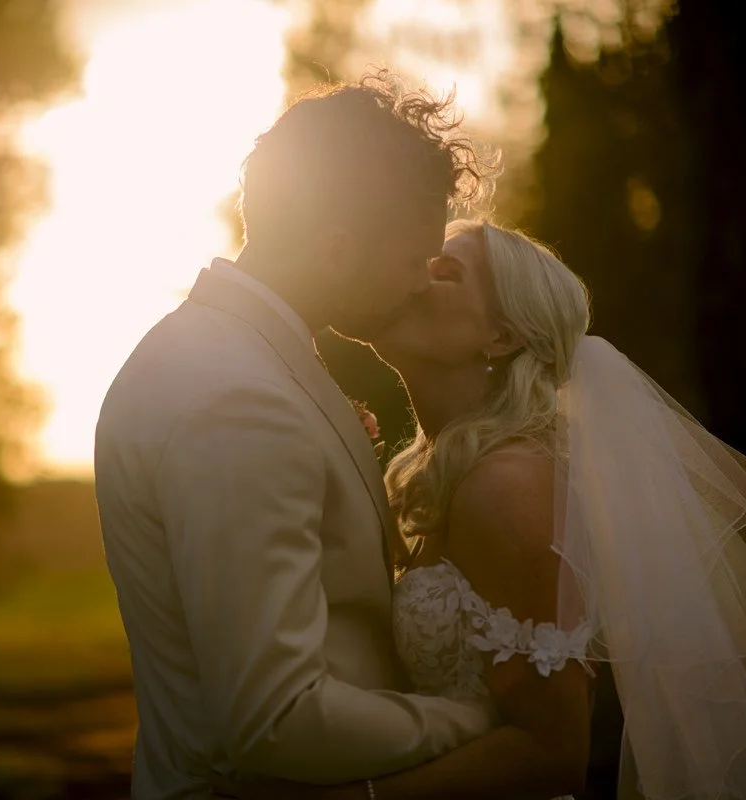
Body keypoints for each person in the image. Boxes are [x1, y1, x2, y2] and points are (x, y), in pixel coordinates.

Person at [218, 220, 746, 799]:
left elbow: (552, 752)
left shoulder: (506, 485)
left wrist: (354, 799)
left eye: (445, 271)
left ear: (502, 337)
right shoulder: (437, 473)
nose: (415, 276)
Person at [93, 72, 500, 800]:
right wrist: (476, 723)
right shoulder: (236, 397)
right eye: (413, 261)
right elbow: (278, 716)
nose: (419, 285)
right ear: (340, 250)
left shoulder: (232, 355)